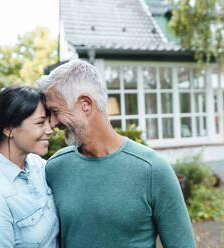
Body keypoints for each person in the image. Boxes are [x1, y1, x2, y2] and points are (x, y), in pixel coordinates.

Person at [37, 60, 196, 248]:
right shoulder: (55, 168)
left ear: (85, 104)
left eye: (56, 111)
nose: (52, 123)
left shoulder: (153, 170)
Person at [0, 85, 59, 248]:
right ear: (9, 129)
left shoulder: (38, 165)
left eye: (48, 121)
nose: (50, 130)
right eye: (40, 123)